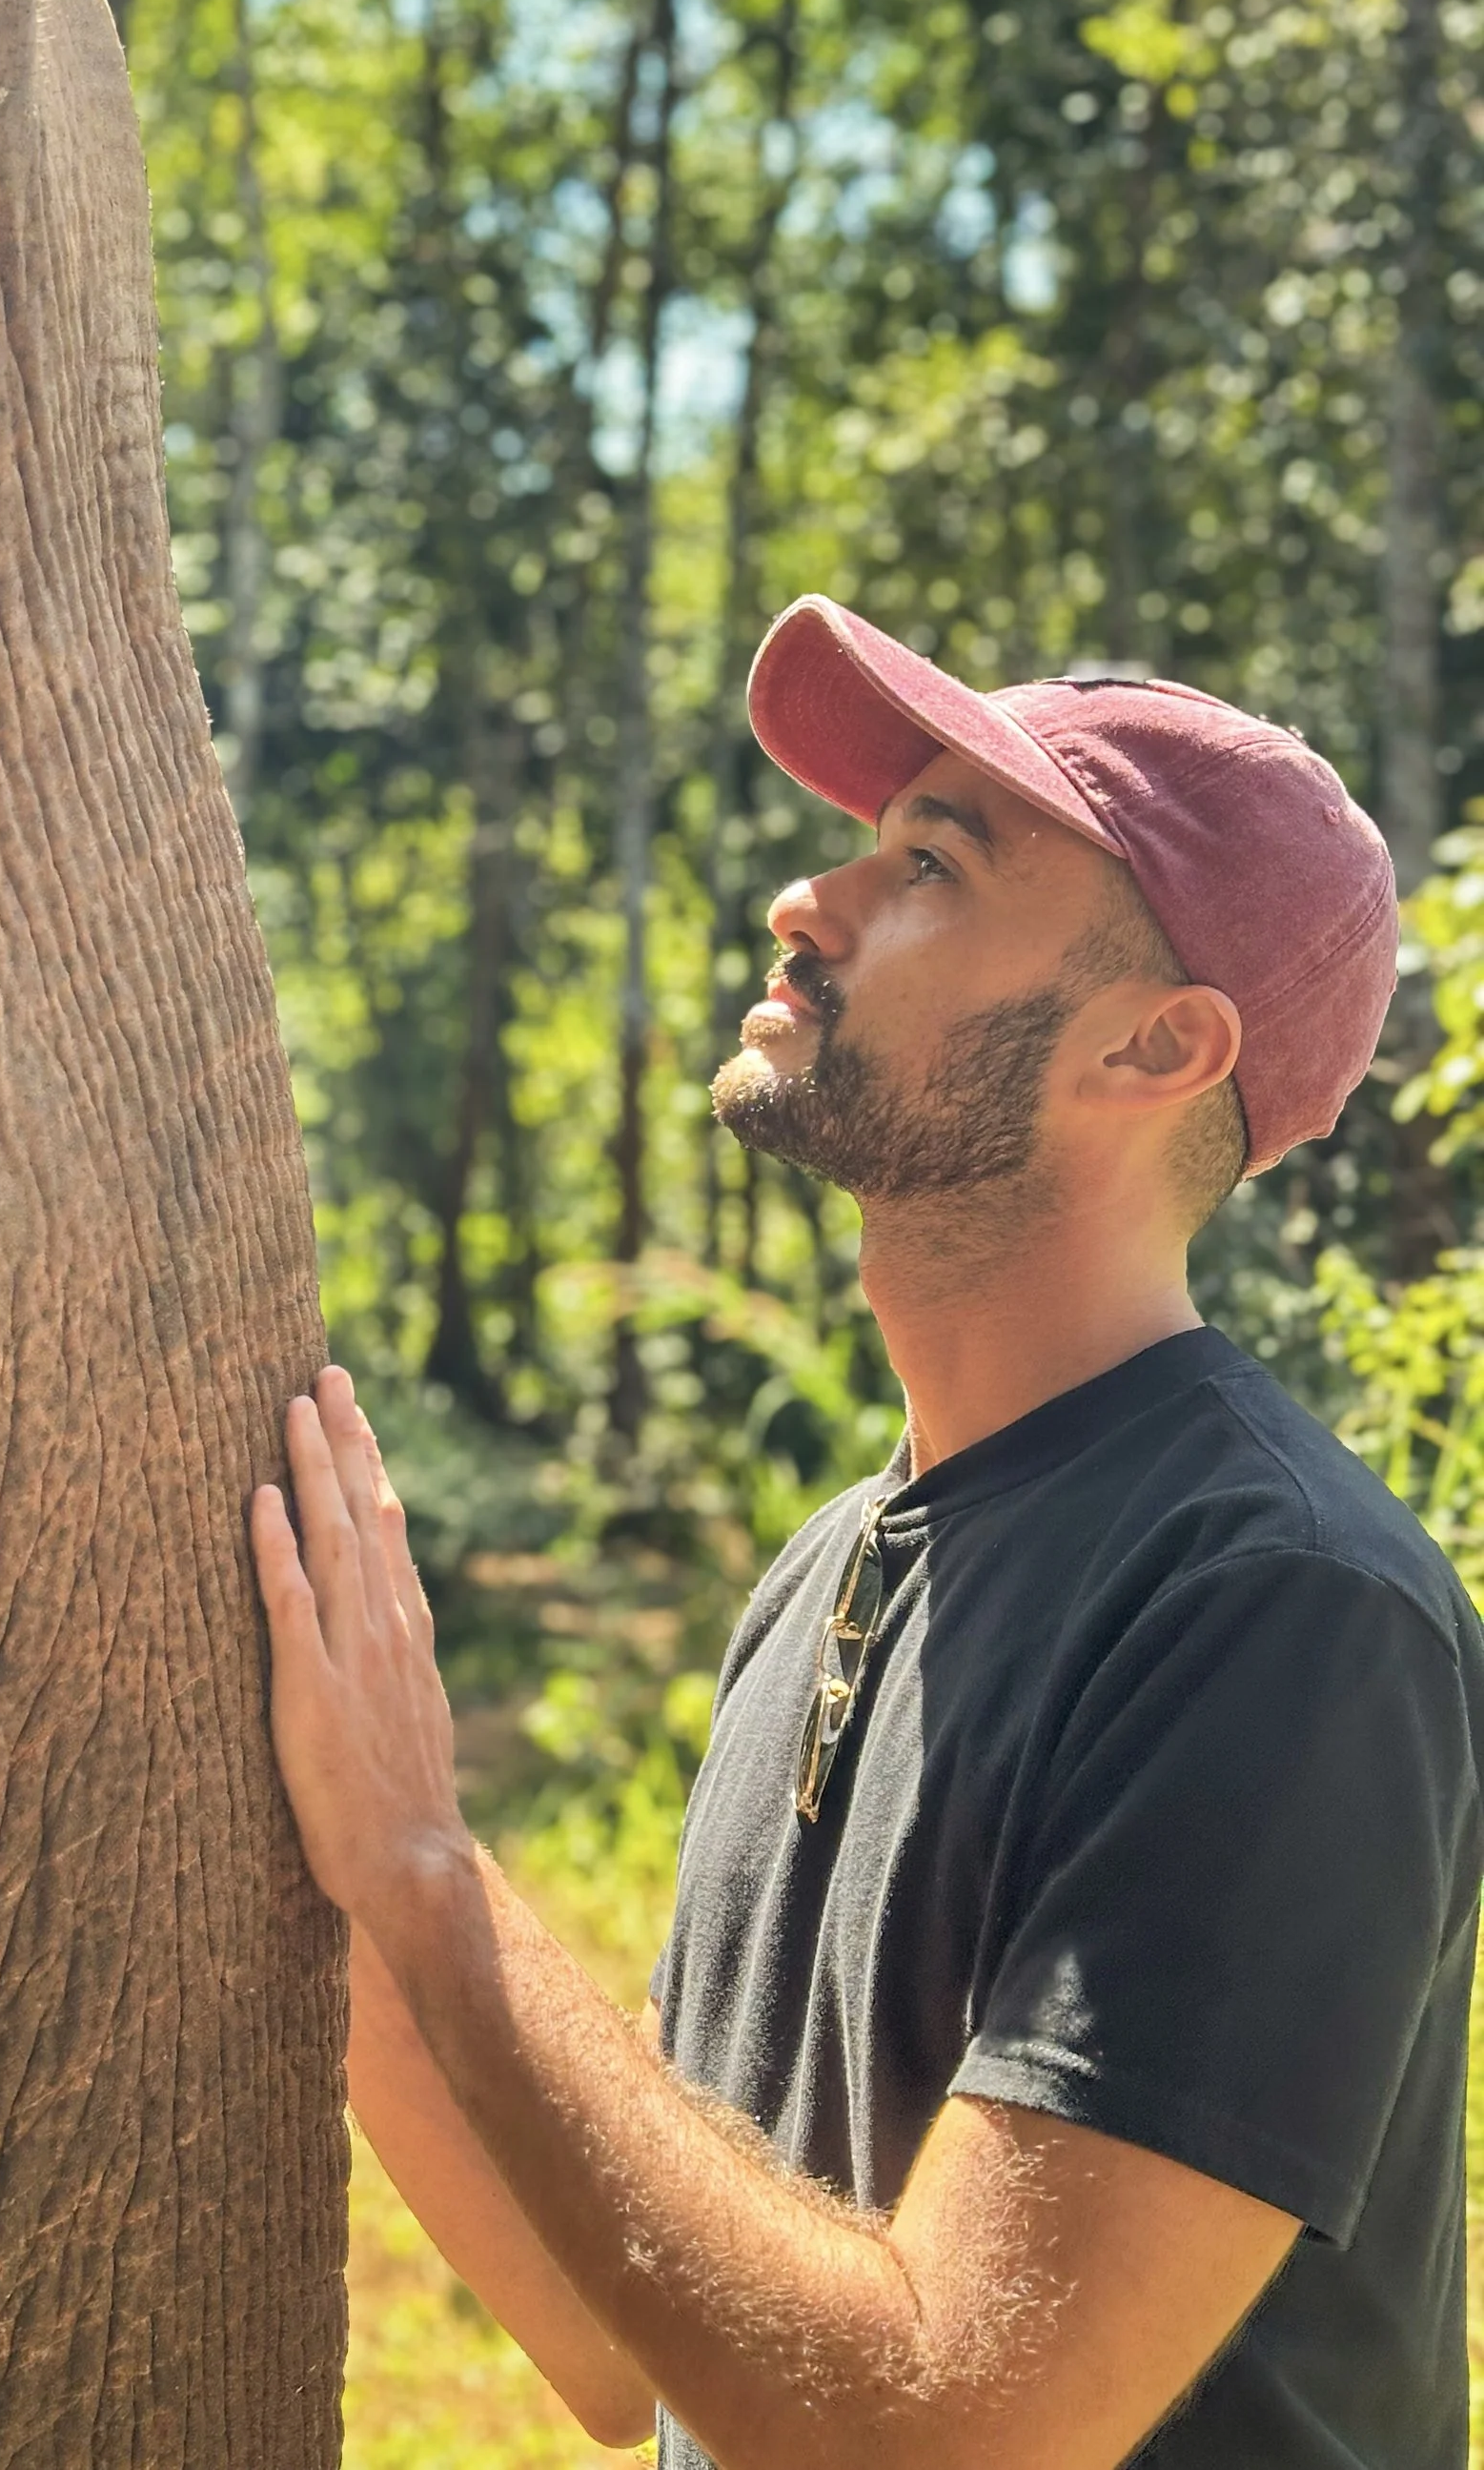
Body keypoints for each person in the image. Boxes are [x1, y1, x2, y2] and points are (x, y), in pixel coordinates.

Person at [251, 592, 1484, 2470]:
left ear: (1153, 1047)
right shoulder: (824, 1569)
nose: (804, 900)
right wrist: (332, 1858)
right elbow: (630, 2344)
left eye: (927, 862)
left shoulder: (1276, 1608)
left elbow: (940, 2433)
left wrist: (429, 1862)